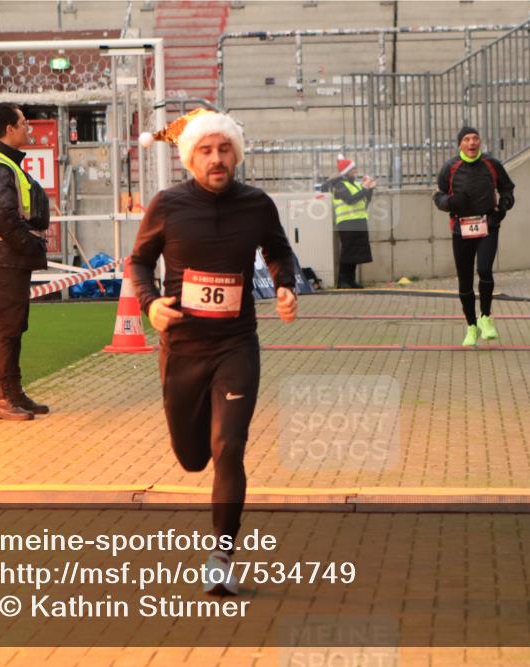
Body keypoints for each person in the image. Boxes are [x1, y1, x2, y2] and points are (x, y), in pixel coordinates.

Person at [131, 110, 299, 596]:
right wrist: (150, 305)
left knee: (229, 447)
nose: (217, 158)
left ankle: (222, 556)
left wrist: (286, 286)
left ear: (236, 154)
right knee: (191, 457)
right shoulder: (167, 205)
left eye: (224, 149)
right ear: (190, 158)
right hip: (182, 347)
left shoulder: (256, 204)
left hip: (235, 344)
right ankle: (198, 441)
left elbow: (278, 251)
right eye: (206, 150)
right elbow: (139, 261)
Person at [0, 103, 51, 420]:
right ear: (9, 129)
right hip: (5, 257)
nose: (28, 127)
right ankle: (1, 399)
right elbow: (5, 219)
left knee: (15, 326)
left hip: (9, 257)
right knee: (7, 328)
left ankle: (13, 393)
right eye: (24, 122)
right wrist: (32, 245)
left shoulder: (6, 164)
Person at [432, 126, 515, 346]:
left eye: (475, 138)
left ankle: (486, 317)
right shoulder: (450, 167)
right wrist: (449, 202)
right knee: (465, 279)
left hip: (488, 224)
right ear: (460, 144)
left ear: (480, 142)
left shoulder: (491, 164)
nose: (471, 143)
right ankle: (471, 326)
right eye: (467, 139)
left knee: (485, 269)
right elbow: (438, 195)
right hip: (462, 228)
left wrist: (504, 206)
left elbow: (507, 188)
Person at [323, 155, 375, 288]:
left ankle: (350, 280)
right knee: (348, 251)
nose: (356, 172)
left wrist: (369, 189)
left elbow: (365, 202)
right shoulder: (339, 185)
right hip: (346, 222)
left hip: (359, 221)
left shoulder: (356, 185)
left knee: (356, 252)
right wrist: (365, 189)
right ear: (346, 172)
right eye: (353, 170)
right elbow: (350, 199)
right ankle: (342, 280)